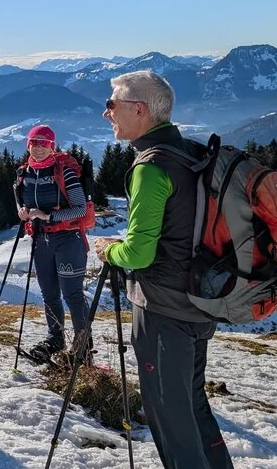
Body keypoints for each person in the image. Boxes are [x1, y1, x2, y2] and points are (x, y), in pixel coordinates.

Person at [94, 70, 233, 469]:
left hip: (163, 311)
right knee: (191, 404)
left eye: (111, 104)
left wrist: (108, 251)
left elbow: (138, 253)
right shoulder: (188, 151)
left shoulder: (150, 168)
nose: (107, 113)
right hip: (198, 303)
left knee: (169, 417)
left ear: (138, 110)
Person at [14, 124, 90, 363]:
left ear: (52, 146)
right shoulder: (23, 173)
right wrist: (23, 212)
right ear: (28, 144)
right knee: (49, 295)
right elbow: (19, 202)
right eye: (34, 143)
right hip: (41, 240)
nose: (38, 148)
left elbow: (79, 209)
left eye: (44, 143)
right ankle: (55, 340)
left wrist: (48, 216)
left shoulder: (64, 172)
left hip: (68, 239)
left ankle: (82, 350)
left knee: (73, 295)